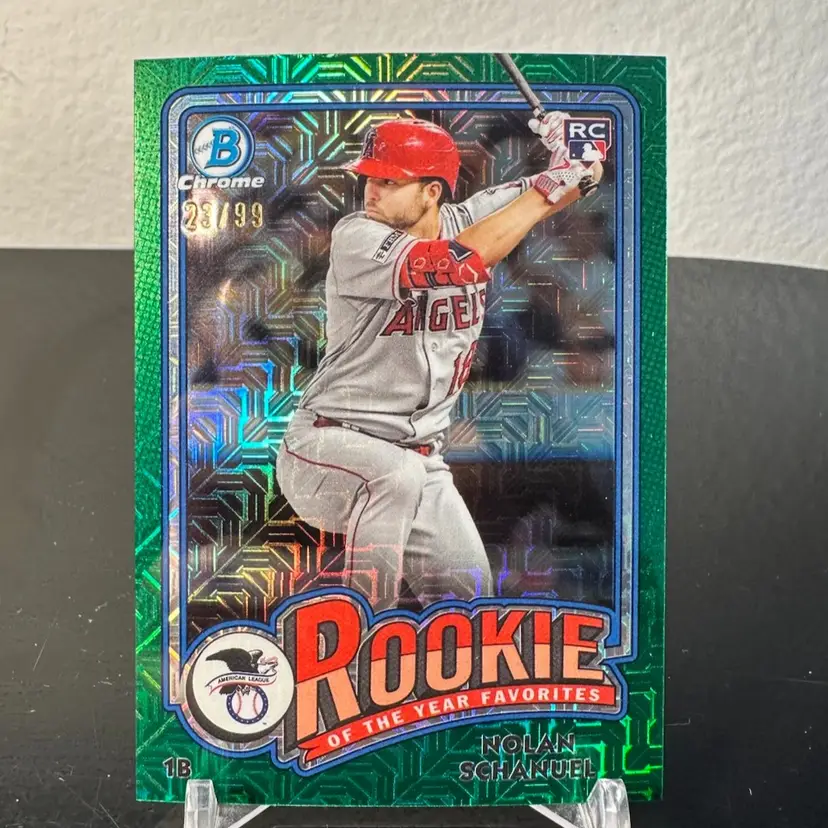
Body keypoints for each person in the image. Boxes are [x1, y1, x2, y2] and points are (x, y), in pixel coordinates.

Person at [276, 116, 601, 611]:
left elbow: (582, 178)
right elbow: (456, 263)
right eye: (370, 177)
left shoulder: (471, 216)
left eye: (390, 181)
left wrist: (577, 151)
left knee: (470, 599)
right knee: (395, 475)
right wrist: (546, 189)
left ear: (432, 192)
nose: (372, 190)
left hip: (419, 457)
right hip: (327, 448)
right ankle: (361, 629)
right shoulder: (356, 235)